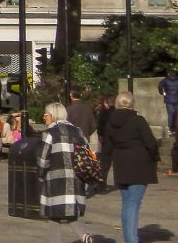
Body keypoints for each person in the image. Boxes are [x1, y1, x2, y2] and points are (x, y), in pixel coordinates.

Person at [105, 91, 158, 243]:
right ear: (131, 103)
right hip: (139, 165)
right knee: (133, 203)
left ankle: (130, 237)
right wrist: (154, 158)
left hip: (121, 165)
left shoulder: (110, 122)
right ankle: (131, 239)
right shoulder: (138, 120)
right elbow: (151, 143)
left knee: (127, 203)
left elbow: (107, 147)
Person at [38, 101, 95, 243]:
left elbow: (43, 160)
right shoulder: (78, 132)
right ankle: (84, 235)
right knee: (69, 212)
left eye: (45, 115)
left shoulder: (49, 133)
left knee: (54, 214)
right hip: (76, 179)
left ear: (52, 116)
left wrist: (40, 175)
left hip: (56, 180)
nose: (44, 117)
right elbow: (87, 154)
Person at [94, 95, 114, 188]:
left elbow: (100, 127)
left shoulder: (104, 113)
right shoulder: (117, 113)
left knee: (104, 165)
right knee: (117, 164)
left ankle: (101, 184)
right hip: (116, 142)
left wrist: (100, 136)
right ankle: (118, 183)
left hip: (106, 141)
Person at [159, 70, 178, 136]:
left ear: (169, 74)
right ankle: (176, 128)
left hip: (169, 100)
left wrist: (162, 93)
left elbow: (160, 86)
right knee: (176, 115)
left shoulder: (166, 80)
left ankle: (170, 129)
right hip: (177, 100)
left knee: (170, 115)